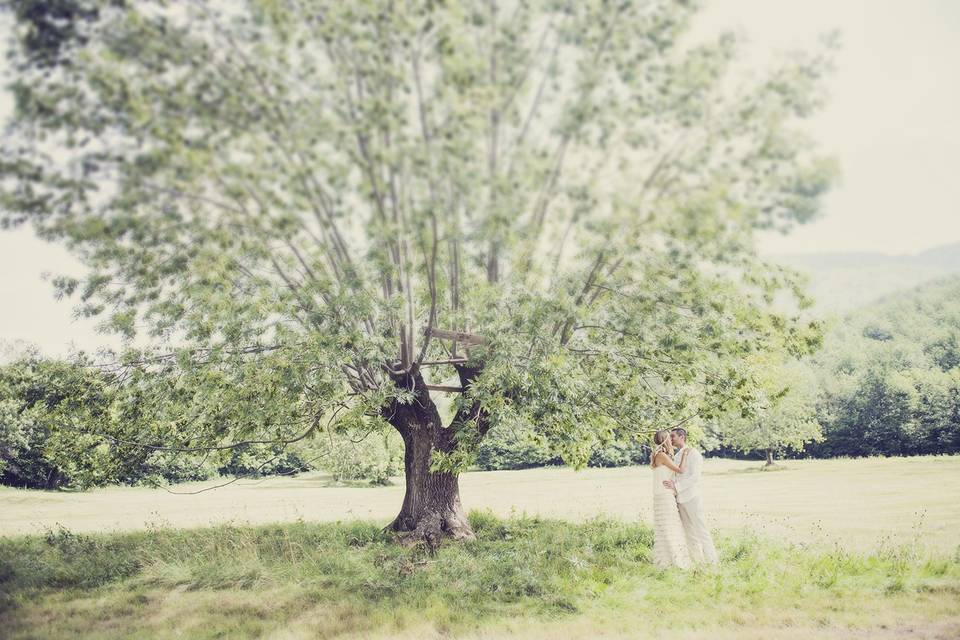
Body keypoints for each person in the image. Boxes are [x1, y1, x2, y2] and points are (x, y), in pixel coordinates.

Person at [662, 427, 719, 565]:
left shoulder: (694, 454)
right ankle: (699, 563)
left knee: (701, 530)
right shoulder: (676, 455)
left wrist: (676, 487)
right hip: (679, 499)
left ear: (682, 437)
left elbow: (695, 478)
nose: (670, 439)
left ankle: (713, 562)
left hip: (692, 497)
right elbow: (675, 475)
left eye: (673, 436)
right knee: (689, 533)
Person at [650, 429, 691, 569]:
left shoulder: (659, 455)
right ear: (665, 440)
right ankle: (675, 561)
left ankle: (669, 560)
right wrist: (685, 454)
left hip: (663, 494)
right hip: (664, 495)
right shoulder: (661, 455)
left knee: (667, 527)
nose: (671, 439)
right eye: (670, 437)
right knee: (669, 527)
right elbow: (680, 470)